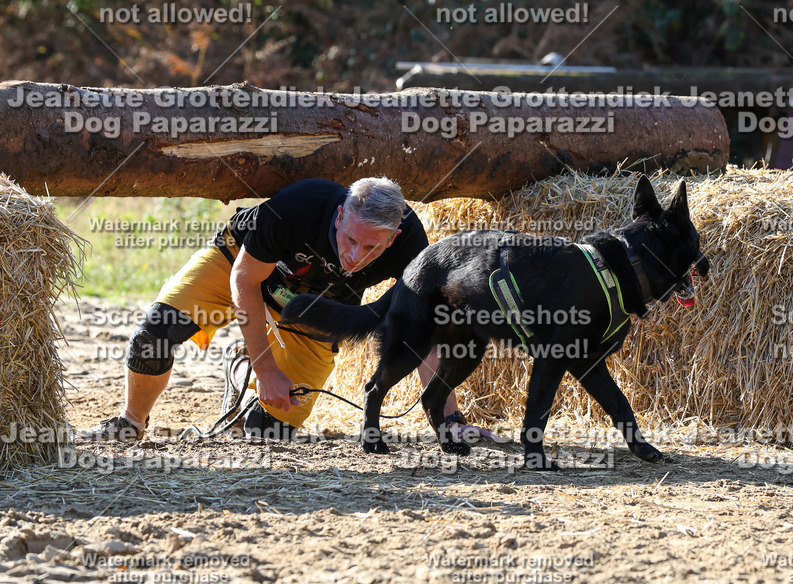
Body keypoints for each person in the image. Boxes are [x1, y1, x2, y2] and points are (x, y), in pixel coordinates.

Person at [77, 177, 490, 442]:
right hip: (242, 266)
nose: (354, 256)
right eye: (349, 239)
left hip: (319, 306)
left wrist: (448, 419)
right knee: (153, 336)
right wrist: (266, 368)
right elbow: (244, 280)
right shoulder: (298, 205)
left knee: (268, 433)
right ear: (341, 214)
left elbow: (418, 332)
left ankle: (240, 374)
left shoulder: (412, 247)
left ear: (393, 238)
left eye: (371, 248)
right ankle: (130, 423)